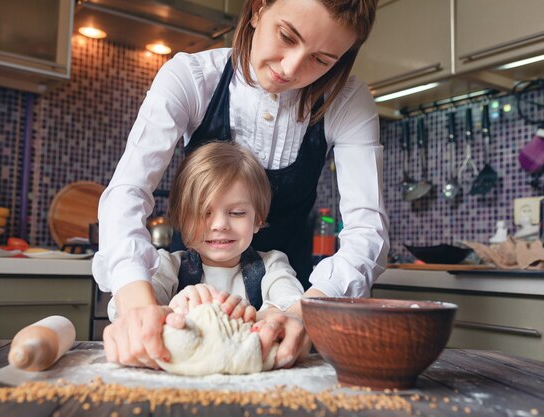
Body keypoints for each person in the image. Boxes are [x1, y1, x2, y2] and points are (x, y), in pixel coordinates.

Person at [93, 0, 389, 369]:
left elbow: (368, 233)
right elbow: (128, 192)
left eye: (322, 60)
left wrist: (301, 313)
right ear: (258, 9)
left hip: (288, 297)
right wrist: (139, 309)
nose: (291, 67)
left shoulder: (348, 101)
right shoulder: (190, 77)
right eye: (286, 36)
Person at [104, 142, 305, 368]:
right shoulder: (168, 265)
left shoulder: (273, 265)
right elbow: (122, 311)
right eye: (203, 213)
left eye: (237, 213)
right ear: (182, 220)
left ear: (258, 218)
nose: (219, 224)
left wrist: (244, 313)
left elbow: (293, 306)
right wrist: (174, 309)